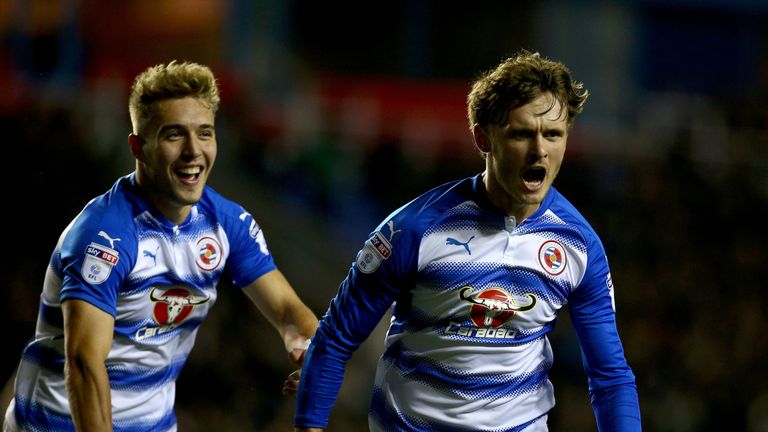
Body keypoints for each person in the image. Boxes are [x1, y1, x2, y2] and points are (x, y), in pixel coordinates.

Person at [289, 50, 641, 431]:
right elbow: (335, 341)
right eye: (522, 133)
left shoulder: (578, 244)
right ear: (483, 138)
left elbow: (610, 377)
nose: (540, 150)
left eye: (553, 134)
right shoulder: (414, 229)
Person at [2, 60, 318, 431]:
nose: (193, 151)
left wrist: (306, 347)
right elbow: (85, 364)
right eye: (174, 135)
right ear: (138, 147)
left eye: (204, 133)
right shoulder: (105, 235)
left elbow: (286, 308)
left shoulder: (225, 223)